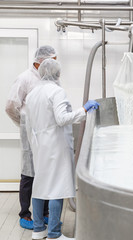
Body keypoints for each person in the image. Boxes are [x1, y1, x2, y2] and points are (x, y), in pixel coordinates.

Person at [25, 59, 99, 240]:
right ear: (57, 74)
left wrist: (35, 144)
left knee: (40, 186)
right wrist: (84, 109)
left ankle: (38, 229)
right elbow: (62, 118)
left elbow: (28, 123)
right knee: (57, 187)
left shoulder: (32, 93)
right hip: (55, 146)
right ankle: (54, 233)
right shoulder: (56, 92)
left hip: (40, 145)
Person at [5, 45, 57, 230]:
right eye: (51, 59)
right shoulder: (25, 78)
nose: (54, 63)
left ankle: (43, 212)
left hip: (46, 132)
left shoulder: (48, 79)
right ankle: (25, 213)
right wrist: (23, 124)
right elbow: (11, 106)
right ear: (39, 61)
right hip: (30, 132)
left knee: (43, 171)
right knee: (29, 172)